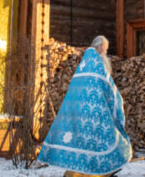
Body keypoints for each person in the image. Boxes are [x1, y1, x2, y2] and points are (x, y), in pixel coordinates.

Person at [38, 35, 132, 176]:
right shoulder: (97, 64)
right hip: (95, 111)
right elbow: (109, 88)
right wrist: (117, 100)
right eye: (105, 49)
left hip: (78, 111)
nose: (106, 52)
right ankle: (94, 172)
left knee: (80, 142)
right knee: (96, 142)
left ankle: (78, 172)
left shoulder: (85, 62)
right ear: (100, 47)